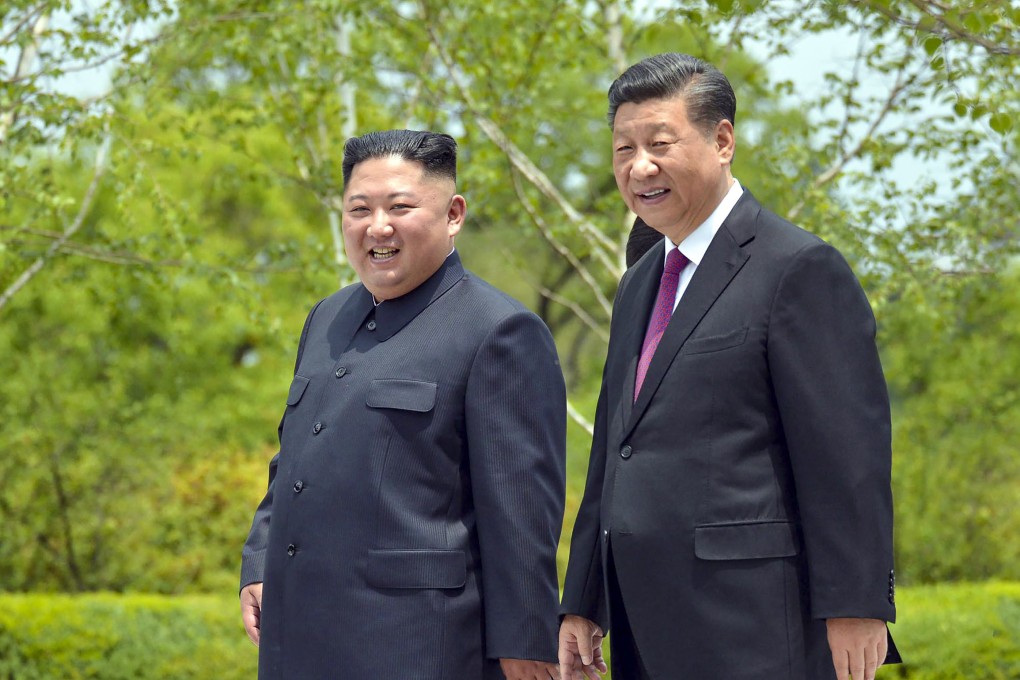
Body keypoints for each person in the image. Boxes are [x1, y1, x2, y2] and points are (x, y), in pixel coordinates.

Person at [558, 53, 900, 680]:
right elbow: (614, 447)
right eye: (623, 148)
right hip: (643, 622)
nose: (639, 167)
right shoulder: (638, 284)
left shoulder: (797, 268)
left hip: (754, 626)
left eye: (660, 143)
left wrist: (856, 603)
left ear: (722, 141)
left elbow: (845, 455)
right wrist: (582, 599)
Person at [240, 129, 566, 680]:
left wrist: (525, 642)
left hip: (420, 647)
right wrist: (259, 559)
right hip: (297, 641)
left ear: (454, 213)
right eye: (359, 209)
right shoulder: (326, 317)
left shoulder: (499, 330)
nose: (378, 227)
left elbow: (521, 512)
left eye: (401, 207)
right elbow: (293, 459)